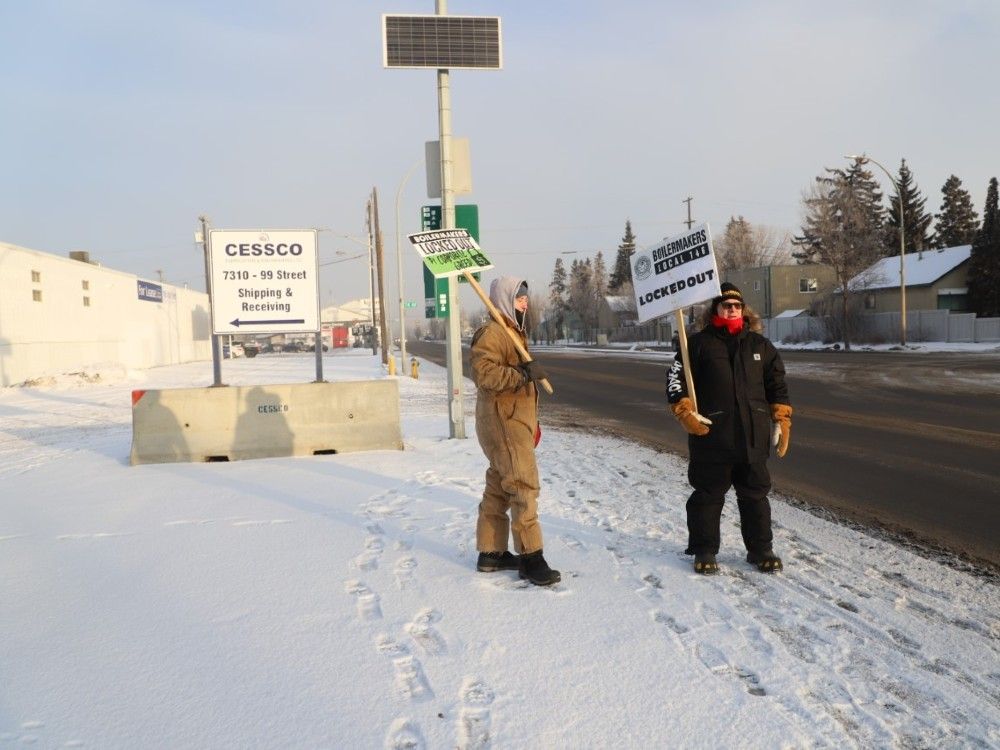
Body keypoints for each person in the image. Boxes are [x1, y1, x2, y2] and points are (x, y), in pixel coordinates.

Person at [666, 282, 792, 575]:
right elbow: (675, 381)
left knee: (755, 496)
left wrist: (782, 418)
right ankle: (704, 550)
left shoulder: (761, 346)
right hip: (712, 437)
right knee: (708, 496)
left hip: (753, 437)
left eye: (736, 305)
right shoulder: (696, 345)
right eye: (725, 305)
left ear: (743, 310)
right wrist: (684, 411)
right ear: (716, 309)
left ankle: (761, 549)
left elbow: (777, 386)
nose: (731, 309)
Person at [470, 277, 560, 586]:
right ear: (505, 299)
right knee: (522, 485)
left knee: (499, 484)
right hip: (503, 422)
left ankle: (491, 553)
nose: (525, 302)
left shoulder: (511, 332)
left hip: (511, 421)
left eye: (525, 297)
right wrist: (522, 373)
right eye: (519, 298)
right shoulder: (492, 333)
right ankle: (531, 558)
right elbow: (485, 374)